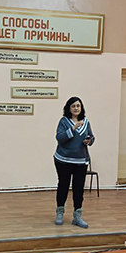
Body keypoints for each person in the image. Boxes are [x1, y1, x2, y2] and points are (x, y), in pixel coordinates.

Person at [53, 96, 95, 228]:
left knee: (78, 188)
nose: (76, 108)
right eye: (73, 106)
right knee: (63, 186)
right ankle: (60, 212)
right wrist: (72, 129)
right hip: (63, 160)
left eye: (78, 106)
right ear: (69, 108)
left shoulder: (86, 122)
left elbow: (91, 137)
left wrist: (89, 141)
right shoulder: (64, 121)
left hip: (81, 161)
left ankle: (77, 216)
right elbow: (60, 138)